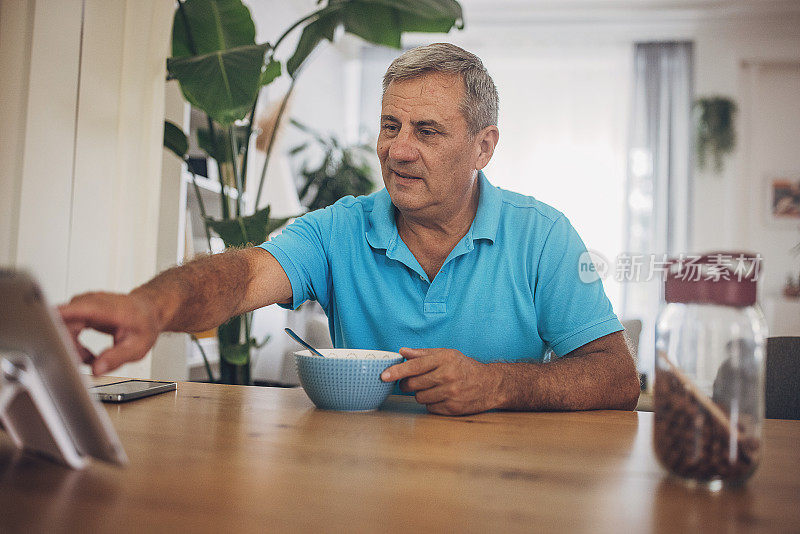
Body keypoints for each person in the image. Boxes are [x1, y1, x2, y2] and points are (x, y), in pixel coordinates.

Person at [59, 43, 639, 416]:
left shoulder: (543, 235)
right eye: (390, 125)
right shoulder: (340, 229)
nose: (397, 150)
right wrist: (149, 308)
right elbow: (239, 277)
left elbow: (617, 377)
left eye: (427, 131)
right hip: (357, 477)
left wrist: (499, 385)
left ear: (483, 146)